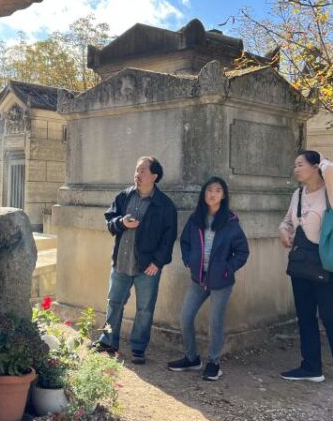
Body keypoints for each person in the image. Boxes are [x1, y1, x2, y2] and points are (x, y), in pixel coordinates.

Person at [278, 151, 333, 388]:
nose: (295, 169)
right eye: (295, 165)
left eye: (300, 164)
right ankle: (311, 366)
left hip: (329, 265)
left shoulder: (331, 192)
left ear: (315, 166)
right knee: (305, 316)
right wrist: (284, 232)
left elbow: (332, 172)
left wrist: (321, 159)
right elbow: (287, 221)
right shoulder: (298, 194)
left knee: (330, 314)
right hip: (302, 263)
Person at [91, 156, 178, 364]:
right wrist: (121, 222)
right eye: (136, 170)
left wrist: (157, 262)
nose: (137, 175)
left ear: (154, 176)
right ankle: (108, 341)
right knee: (114, 303)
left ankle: (138, 348)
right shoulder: (124, 196)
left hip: (147, 266)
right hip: (121, 262)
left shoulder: (165, 205)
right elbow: (109, 222)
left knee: (145, 308)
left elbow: (169, 238)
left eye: (142, 171)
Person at [167, 177, 249, 381]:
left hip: (221, 282)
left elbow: (242, 252)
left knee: (215, 322)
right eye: (209, 190)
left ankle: (214, 362)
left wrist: (226, 270)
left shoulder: (230, 222)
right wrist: (188, 260)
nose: (212, 194)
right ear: (204, 194)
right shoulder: (196, 219)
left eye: (218, 190)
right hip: (198, 279)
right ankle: (192, 358)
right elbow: (185, 242)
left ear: (224, 195)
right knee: (185, 317)